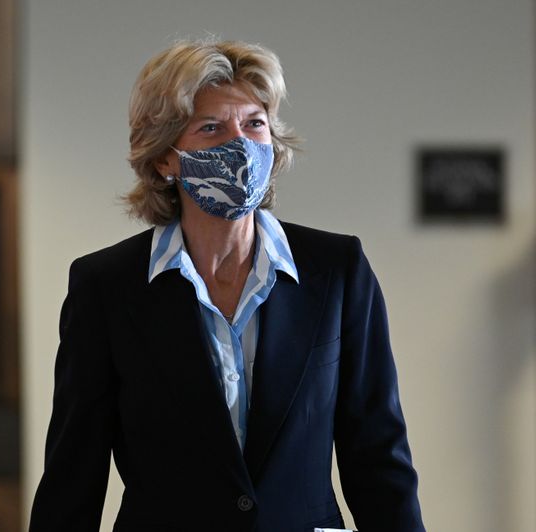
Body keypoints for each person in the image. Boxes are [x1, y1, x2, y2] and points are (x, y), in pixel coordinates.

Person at [29, 39, 425, 532]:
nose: (240, 144)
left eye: (254, 124)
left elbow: (378, 453)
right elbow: (74, 472)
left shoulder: (337, 269)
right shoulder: (106, 286)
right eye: (212, 128)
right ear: (164, 160)